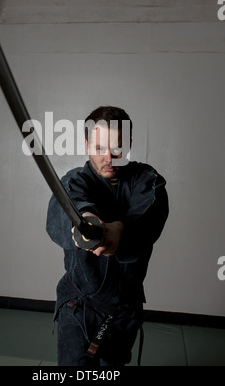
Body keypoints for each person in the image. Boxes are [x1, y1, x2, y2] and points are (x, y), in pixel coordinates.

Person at [46, 105, 169, 366]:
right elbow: (72, 203)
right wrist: (87, 224)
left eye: (117, 148)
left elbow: (146, 216)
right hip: (79, 307)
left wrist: (119, 232)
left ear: (129, 144)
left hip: (123, 311)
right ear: (86, 144)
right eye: (99, 148)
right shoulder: (73, 181)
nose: (109, 157)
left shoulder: (148, 181)